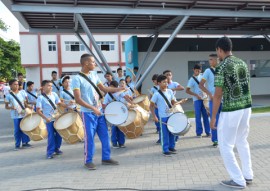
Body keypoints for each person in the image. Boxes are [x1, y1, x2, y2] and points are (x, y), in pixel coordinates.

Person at [210, 37, 253, 189]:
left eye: (217, 52)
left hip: (231, 110)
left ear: (219, 50)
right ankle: (247, 175)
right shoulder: (242, 63)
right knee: (242, 141)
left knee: (225, 145)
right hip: (246, 107)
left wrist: (213, 116)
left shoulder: (221, 67)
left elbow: (217, 95)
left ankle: (238, 180)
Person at [72, 53, 125, 170]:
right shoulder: (77, 79)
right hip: (88, 113)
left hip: (99, 111)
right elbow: (78, 99)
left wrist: (118, 89)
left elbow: (104, 89)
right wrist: (93, 108)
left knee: (105, 136)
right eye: (93, 62)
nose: (95, 64)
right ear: (86, 63)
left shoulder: (94, 75)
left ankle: (106, 158)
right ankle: (88, 160)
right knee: (89, 138)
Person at [36, 80, 67, 159]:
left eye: (51, 86)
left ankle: (57, 149)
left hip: (56, 118)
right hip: (48, 120)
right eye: (48, 86)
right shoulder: (40, 98)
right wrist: (46, 118)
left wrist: (68, 105)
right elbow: (38, 111)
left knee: (59, 134)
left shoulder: (54, 94)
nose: (51, 87)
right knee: (51, 136)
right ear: (43, 87)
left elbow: (59, 103)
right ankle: (50, 152)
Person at [150, 74, 177, 157]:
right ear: (158, 83)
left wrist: (176, 104)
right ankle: (165, 149)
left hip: (171, 115)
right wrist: (154, 116)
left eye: (166, 82)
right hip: (163, 116)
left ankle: (171, 147)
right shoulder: (156, 94)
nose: (166, 84)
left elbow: (173, 101)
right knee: (164, 133)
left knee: (172, 132)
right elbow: (151, 106)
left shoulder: (170, 91)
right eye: (164, 82)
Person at [199, 54, 221, 147]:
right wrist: (209, 94)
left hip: (224, 99)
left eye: (211, 60)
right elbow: (201, 85)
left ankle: (223, 139)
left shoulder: (222, 69)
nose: (210, 61)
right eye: (209, 60)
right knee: (214, 119)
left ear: (217, 60)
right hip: (213, 99)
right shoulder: (208, 71)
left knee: (224, 120)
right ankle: (215, 140)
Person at [4, 79, 31, 150]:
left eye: (17, 84)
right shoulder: (8, 96)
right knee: (17, 130)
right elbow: (6, 106)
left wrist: (29, 107)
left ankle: (25, 142)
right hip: (15, 115)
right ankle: (17, 144)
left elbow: (25, 103)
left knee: (24, 128)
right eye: (15, 84)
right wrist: (11, 107)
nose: (17, 86)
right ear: (10, 86)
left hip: (23, 113)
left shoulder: (22, 93)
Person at [186, 64, 211, 138]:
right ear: (193, 70)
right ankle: (199, 133)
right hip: (197, 100)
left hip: (205, 99)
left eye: (199, 70)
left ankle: (208, 132)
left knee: (206, 115)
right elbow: (187, 90)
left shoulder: (203, 76)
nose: (198, 72)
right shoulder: (191, 79)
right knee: (198, 116)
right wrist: (196, 95)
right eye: (196, 70)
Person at [102, 80, 126, 149]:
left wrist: (131, 102)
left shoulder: (119, 92)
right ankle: (114, 143)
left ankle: (121, 143)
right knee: (114, 129)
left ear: (116, 87)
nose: (111, 89)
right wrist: (109, 107)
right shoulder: (107, 95)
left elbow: (125, 97)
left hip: (120, 114)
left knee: (121, 129)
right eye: (110, 87)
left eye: (113, 87)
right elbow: (103, 105)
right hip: (112, 115)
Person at [163, 70, 184, 142]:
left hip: (173, 103)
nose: (168, 76)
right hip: (165, 105)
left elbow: (182, 88)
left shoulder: (174, 83)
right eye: (167, 75)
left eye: (170, 75)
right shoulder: (163, 84)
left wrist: (172, 89)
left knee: (176, 120)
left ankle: (176, 136)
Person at [149, 74, 161, 144]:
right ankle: (160, 138)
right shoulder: (153, 89)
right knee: (158, 123)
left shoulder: (162, 86)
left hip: (162, 107)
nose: (156, 81)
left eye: (157, 79)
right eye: (154, 80)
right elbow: (151, 98)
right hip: (156, 107)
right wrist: (155, 105)